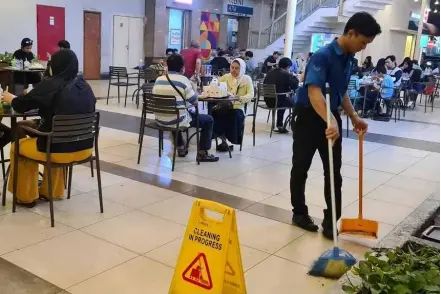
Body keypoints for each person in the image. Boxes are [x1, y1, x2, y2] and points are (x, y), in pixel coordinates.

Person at [291, 12, 380, 239]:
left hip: (331, 116)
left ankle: (332, 220)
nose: (363, 47)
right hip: (309, 117)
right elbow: (314, 92)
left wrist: (353, 117)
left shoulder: (349, 58)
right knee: (301, 168)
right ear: (351, 33)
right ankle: (299, 213)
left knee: (333, 171)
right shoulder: (323, 55)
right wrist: (329, 121)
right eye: (363, 42)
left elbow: (341, 92)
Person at [2, 50, 96, 208]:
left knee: (17, 146)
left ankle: (26, 196)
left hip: (56, 150)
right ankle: (53, 191)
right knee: (27, 127)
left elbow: (22, 105)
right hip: (85, 148)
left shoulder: (51, 84)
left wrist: (11, 99)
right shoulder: (85, 86)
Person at [152, 54, 218, 162]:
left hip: (160, 119)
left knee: (174, 113)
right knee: (208, 120)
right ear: (183, 68)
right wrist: (194, 88)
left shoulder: (158, 79)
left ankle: (180, 148)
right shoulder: (183, 80)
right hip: (176, 120)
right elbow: (195, 101)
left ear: (167, 66)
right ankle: (202, 153)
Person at [215, 59, 254, 152]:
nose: (234, 70)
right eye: (232, 68)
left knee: (234, 115)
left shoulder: (246, 79)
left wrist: (239, 98)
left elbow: (251, 94)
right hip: (225, 106)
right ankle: (220, 138)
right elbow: (216, 85)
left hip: (239, 107)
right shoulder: (226, 77)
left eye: (237, 68)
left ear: (242, 69)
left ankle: (232, 140)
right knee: (215, 113)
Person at [263, 57, 299, 133]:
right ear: (288, 67)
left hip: (268, 101)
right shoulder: (286, 74)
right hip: (278, 102)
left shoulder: (270, 73)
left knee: (283, 98)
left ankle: (280, 125)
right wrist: (293, 76)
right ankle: (295, 125)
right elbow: (295, 85)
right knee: (296, 102)